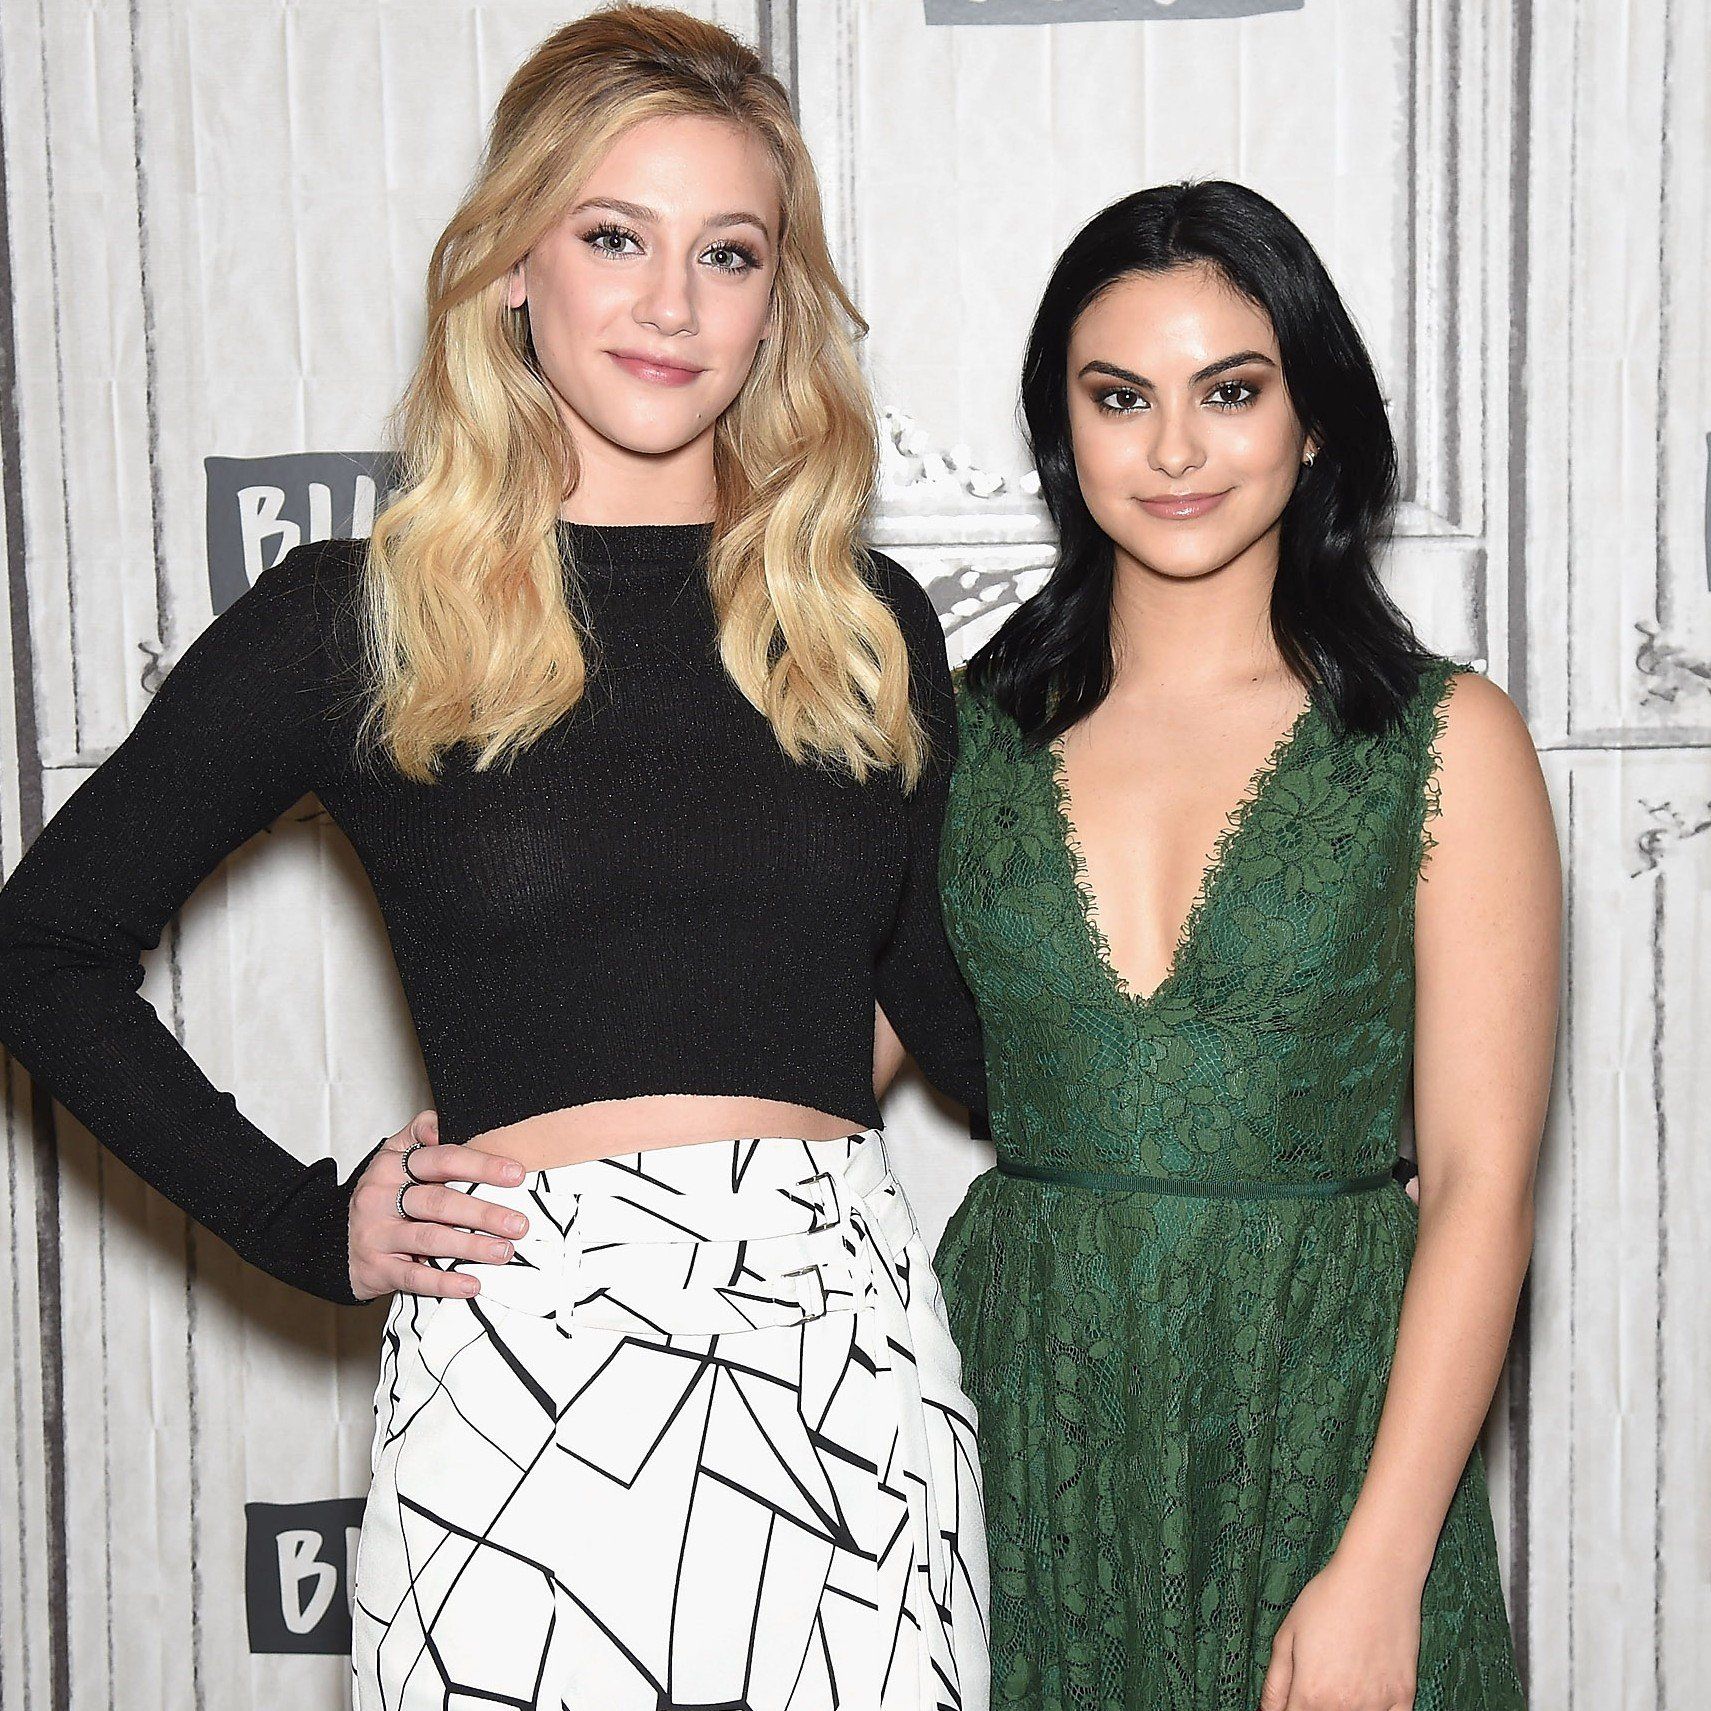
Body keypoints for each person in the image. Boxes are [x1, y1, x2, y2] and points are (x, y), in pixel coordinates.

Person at [0, 8, 989, 1707]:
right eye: (615, 237)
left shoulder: (861, 625)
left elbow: (945, 1008)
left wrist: (1297, 1150)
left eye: (728, 253)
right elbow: (42, 951)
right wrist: (307, 1224)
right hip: (527, 1381)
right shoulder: (362, 619)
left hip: (848, 1375)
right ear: (514, 267)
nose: (672, 305)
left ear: (776, 304)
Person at [929, 180, 1555, 1710]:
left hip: (1330, 1430)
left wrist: (1382, 1565)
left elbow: (1481, 1186)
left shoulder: (1443, 742)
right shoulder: (959, 741)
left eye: (1230, 391)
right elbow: (788, 1071)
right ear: (1062, 429)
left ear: (1313, 419)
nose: (1175, 450)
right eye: (1119, 398)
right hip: (1032, 1429)